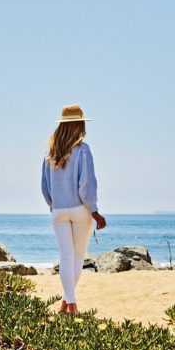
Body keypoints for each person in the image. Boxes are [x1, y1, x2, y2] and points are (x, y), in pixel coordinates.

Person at [41, 105, 107, 314]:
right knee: (77, 258)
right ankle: (74, 306)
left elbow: (44, 187)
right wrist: (94, 211)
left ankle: (65, 303)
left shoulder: (50, 152)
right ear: (79, 124)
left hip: (58, 211)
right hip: (80, 209)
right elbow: (86, 184)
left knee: (65, 258)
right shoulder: (82, 149)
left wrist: (55, 206)